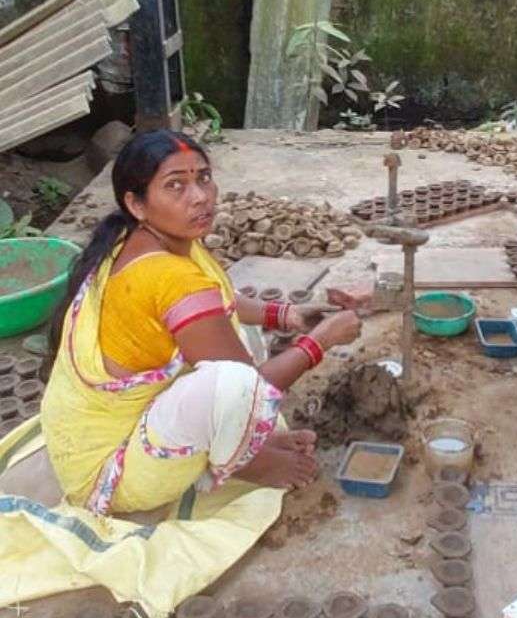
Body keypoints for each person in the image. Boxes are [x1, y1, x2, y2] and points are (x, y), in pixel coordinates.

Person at [39, 130, 361, 516]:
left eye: (204, 178)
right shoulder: (167, 275)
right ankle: (246, 462)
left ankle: (235, 445)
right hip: (114, 472)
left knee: (230, 330)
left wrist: (285, 315)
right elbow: (247, 390)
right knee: (232, 382)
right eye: (175, 185)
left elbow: (218, 302)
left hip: (98, 434)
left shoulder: (142, 238)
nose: (200, 197)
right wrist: (321, 341)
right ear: (136, 204)